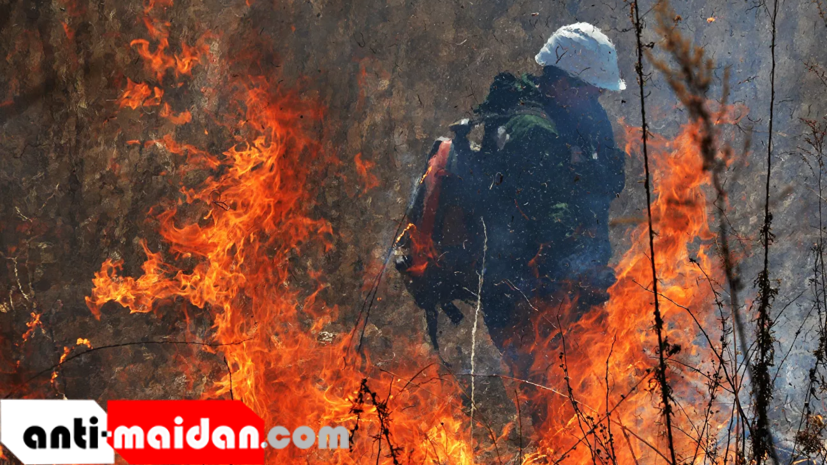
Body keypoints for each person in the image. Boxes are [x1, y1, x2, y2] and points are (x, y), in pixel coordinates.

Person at [395, 23, 626, 366]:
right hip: (525, 292)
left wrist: (587, 167)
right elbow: (553, 222)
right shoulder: (533, 130)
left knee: (583, 380)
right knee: (551, 383)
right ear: (563, 83)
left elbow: (612, 177)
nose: (598, 101)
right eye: (592, 93)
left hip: (556, 286)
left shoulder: (573, 114)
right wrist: (585, 272)